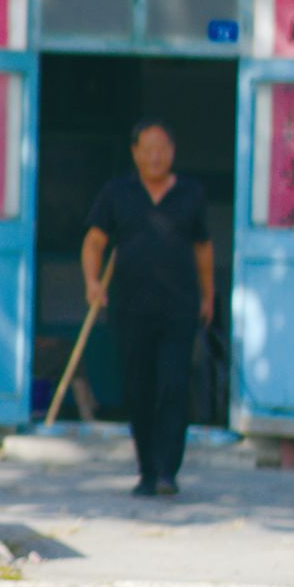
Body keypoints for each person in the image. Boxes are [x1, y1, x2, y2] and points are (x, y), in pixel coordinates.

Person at [82, 118, 215, 500]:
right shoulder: (117, 193)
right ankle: (146, 471)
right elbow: (94, 241)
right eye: (148, 149)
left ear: (172, 152)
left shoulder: (191, 193)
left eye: (162, 149)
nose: (155, 157)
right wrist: (92, 282)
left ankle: (167, 472)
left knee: (173, 387)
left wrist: (208, 295)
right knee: (139, 390)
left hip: (179, 309)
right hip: (130, 309)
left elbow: (203, 249)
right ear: (135, 153)